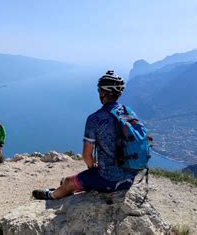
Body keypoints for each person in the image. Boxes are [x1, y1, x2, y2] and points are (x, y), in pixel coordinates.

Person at [32, 70, 138, 200]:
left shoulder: (96, 118)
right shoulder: (129, 112)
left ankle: (51, 196)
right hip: (129, 178)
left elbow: (87, 156)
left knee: (67, 182)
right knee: (82, 179)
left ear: (103, 93)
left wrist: (92, 168)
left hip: (110, 180)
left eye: (99, 90)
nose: (99, 93)